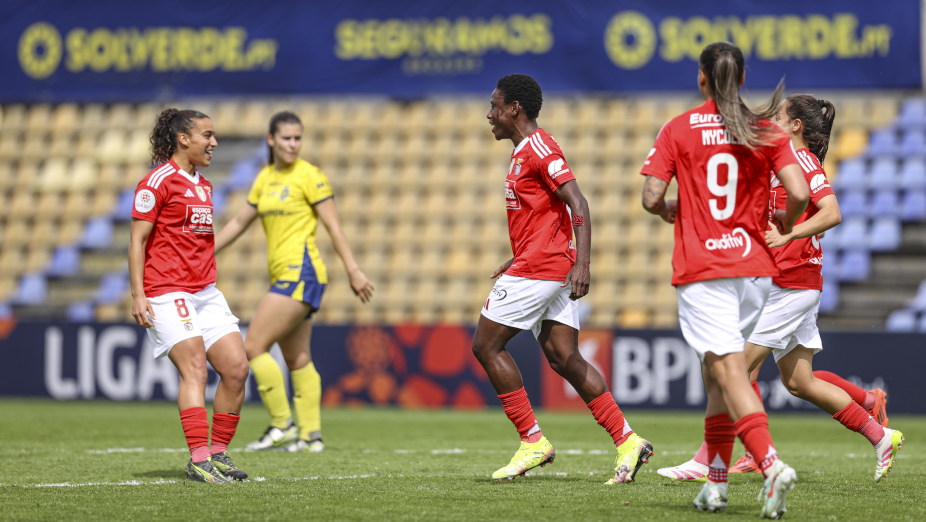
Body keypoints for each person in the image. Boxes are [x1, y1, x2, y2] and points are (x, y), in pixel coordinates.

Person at [656, 94, 904, 483]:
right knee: (798, 381)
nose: (770, 117)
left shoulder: (804, 161)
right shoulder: (780, 162)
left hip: (793, 284)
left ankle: (711, 460)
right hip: (787, 283)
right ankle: (880, 435)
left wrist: (788, 235)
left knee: (733, 368)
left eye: (779, 114)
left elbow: (832, 211)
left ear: (796, 126)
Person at [641, 42, 810, 518]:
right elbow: (798, 192)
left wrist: (670, 209)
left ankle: (771, 463)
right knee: (716, 376)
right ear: (741, 79)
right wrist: (782, 219)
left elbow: (651, 196)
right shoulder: (764, 129)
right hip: (754, 269)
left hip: (706, 269)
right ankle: (715, 485)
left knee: (728, 370)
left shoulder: (678, 128)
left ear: (701, 78)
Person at [474, 73, 653, 484]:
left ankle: (532, 440)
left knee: (486, 344)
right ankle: (627, 440)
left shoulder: (539, 147)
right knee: (564, 357)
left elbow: (578, 202)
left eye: (495, 106)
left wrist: (583, 263)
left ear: (514, 108)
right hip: (542, 263)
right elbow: (545, 217)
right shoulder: (523, 151)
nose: (490, 114)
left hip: (544, 267)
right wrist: (515, 256)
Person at [214, 111, 373, 453]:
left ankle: (281, 424)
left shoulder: (310, 176)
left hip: (302, 274)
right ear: (271, 140)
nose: (293, 144)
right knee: (297, 357)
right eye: (286, 138)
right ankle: (311, 436)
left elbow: (334, 226)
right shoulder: (264, 178)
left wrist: (353, 270)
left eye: (298, 138)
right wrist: (208, 250)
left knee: (253, 346)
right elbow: (240, 222)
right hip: (287, 276)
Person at [129, 108, 250, 483]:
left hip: (206, 291)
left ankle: (218, 453)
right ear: (184, 138)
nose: (214, 143)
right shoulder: (157, 182)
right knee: (195, 368)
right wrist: (138, 295)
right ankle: (198, 460)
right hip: (166, 290)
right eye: (207, 135)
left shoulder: (205, 185)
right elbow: (137, 241)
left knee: (236, 369)